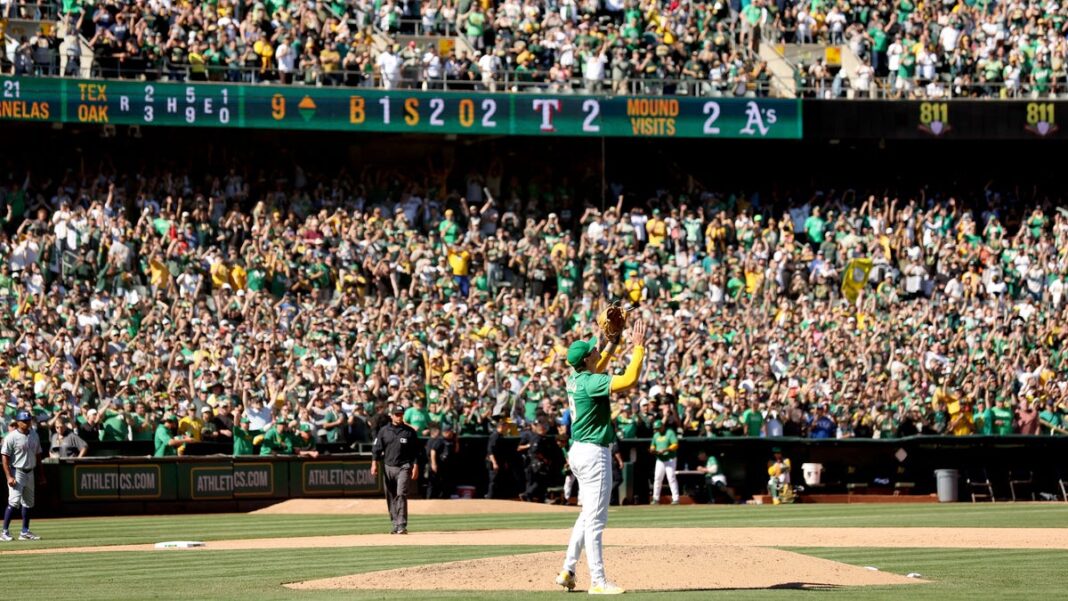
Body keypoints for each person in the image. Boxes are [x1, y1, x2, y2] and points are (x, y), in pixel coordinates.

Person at [556, 319, 646, 595]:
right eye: (593, 349)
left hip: (579, 451)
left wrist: (614, 342)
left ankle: (568, 570)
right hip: (594, 453)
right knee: (596, 520)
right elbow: (629, 379)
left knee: (587, 515)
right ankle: (598, 581)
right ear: (587, 358)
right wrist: (638, 348)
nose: (597, 350)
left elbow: (600, 363)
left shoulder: (576, 378)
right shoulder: (592, 382)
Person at [371, 404, 422, 534]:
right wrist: (374, 464)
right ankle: (395, 523)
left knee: (401, 494)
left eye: (401, 414)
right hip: (388, 466)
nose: (399, 417)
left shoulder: (409, 432)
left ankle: (402, 524)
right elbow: (377, 449)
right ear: (391, 415)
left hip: (404, 466)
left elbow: (416, 451)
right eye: (397, 414)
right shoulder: (383, 431)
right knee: (390, 496)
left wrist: (415, 466)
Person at [2, 411, 43, 541]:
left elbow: (38, 455)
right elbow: (5, 457)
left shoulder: (34, 435)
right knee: (14, 502)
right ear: (18, 422)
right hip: (17, 471)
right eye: (24, 421)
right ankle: (4, 532)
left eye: (29, 420)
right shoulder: (11, 437)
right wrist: (9, 476)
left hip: (30, 471)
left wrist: (41, 474)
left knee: (28, 503)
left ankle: (24, 532)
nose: (27, 423)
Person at [649, 419, 680, 504]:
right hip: (660, 459)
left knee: (671, 478)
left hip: (670, 458)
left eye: (658, 428)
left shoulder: (669, 432)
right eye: (656, 428)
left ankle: (676, 498)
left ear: (663, 426)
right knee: (657, 478)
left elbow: (675, 444)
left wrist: (666, 449)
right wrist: (653, 450)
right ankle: (656, 499)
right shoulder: (656, 435)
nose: (657, 430)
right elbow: (652, 445)